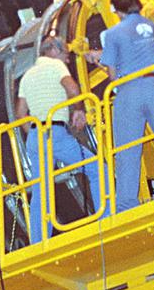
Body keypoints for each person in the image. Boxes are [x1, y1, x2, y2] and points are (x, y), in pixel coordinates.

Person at [85, 0, 154, 212]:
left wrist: (96, 58)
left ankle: (127, 204)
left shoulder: (114, 34)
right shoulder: (153, 28)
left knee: (128, 150)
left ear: (116, 9)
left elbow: (112, 74)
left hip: (130, 92)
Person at [14, 35, 100, 243]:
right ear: (52, 50)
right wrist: (78, 111)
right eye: (65, 54)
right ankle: (105, 217)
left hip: (36, 135)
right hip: (55, 132)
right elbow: (72, 89)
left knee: (41, 189)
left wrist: (36, 135)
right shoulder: (56, 66)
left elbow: (19, 113)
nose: (67, 59)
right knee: (97, 169)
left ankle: (39, 240)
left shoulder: (28, 75)